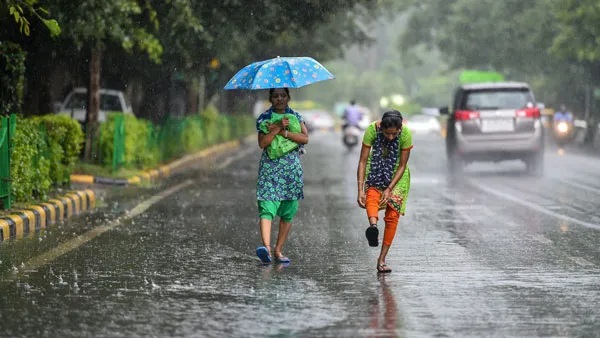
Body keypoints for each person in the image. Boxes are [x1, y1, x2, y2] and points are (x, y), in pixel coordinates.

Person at [255, 87, 309, 264]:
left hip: (291, 171)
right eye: (276, 96)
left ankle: (279, 250)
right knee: (267, 206)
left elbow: (304, 139)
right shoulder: (264, 119)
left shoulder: (295, 117)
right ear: (270, 98)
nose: (279, 99)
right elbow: (263, 143)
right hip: (270, 169)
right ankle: (267, 249)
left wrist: (284, 132)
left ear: (288, 97)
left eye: (283, 96)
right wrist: (275, 129)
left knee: (288, 211)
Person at [356, 110, 412, 273]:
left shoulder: (406, 134)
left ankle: (382, 260)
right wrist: (360, 189)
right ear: (381, 128)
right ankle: (373, 227)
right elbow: (363, 161)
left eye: (394, 134)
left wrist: (389, 189)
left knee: (392, 215)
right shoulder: (371, 130)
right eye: (387, 133)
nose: (390, 137)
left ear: (400, 129)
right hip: (376, 169)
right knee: (371, 197)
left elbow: (402, 165)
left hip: (398, 175)